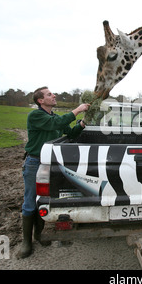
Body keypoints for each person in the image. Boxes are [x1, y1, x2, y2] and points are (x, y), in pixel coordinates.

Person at [19, 86, 89, 259]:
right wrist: (78, 110)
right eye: (49, 94)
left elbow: (71, 132)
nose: (54, 95)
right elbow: (55, 124)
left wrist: (83, 122)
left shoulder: (54, 117)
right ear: (40, 100)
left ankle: (39, 235)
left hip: (52, 163)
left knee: (44, 200)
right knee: (30, 200)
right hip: (35, 162)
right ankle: (26, 242)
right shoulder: (35, 116)